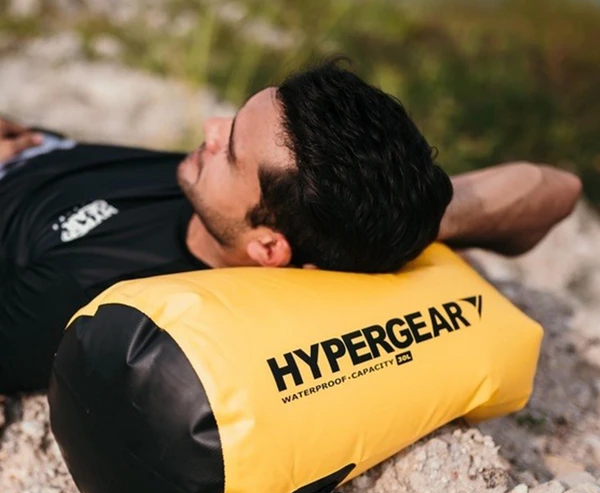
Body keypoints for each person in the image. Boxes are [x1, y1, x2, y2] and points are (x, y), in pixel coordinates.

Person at [0, 61, 581, 395]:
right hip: (35, 144)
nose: (210, 126)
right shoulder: (274, 208)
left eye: (229, 149)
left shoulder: (86, 300)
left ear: (268, 247)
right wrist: (426, 220)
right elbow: (558, 187)